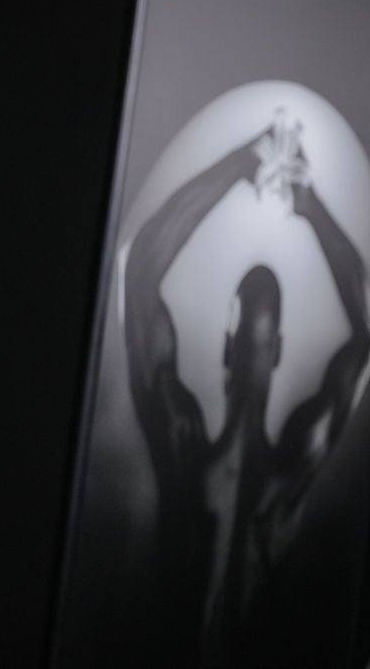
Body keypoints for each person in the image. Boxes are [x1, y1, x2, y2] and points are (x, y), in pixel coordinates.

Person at [123, 113, 370, 666]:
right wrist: (311, 210)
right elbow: (365, 333)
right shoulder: (289, 468)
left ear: (226, 344)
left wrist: (240, 168)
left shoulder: (186, 441)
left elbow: (143, 270)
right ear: (275, 348)